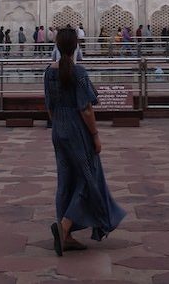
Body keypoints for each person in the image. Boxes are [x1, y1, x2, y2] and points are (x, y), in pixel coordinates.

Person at [44, 27, 126, 254]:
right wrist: (95, 135)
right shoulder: (79, 73)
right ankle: (64, 226)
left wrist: (58, 124)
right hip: (76, 130)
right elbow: (86, 109)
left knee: (65, 180)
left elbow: (49, 107)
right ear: (76, 46)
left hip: (58, 129)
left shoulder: (48, 72)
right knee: (88, 178)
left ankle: (66, 237)